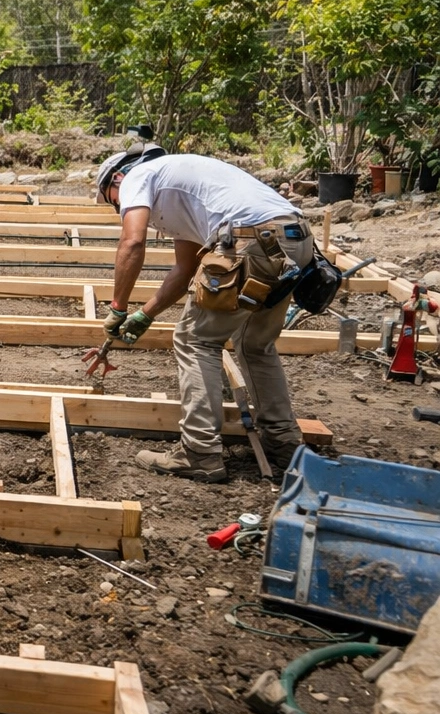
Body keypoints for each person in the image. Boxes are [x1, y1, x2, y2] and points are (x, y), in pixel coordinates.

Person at [96, 145, 315, 482]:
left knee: (196, 340)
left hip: (251, 241)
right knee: (255, 345)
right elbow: (185, 268)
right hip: (293, 240)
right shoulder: (180, 187)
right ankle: (284, 445)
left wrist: (118, 307)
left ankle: (199, 452)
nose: (118, 207)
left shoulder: (136, 176)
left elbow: (132, 243)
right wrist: (146, 315)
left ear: (117, 178)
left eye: (112, 200)